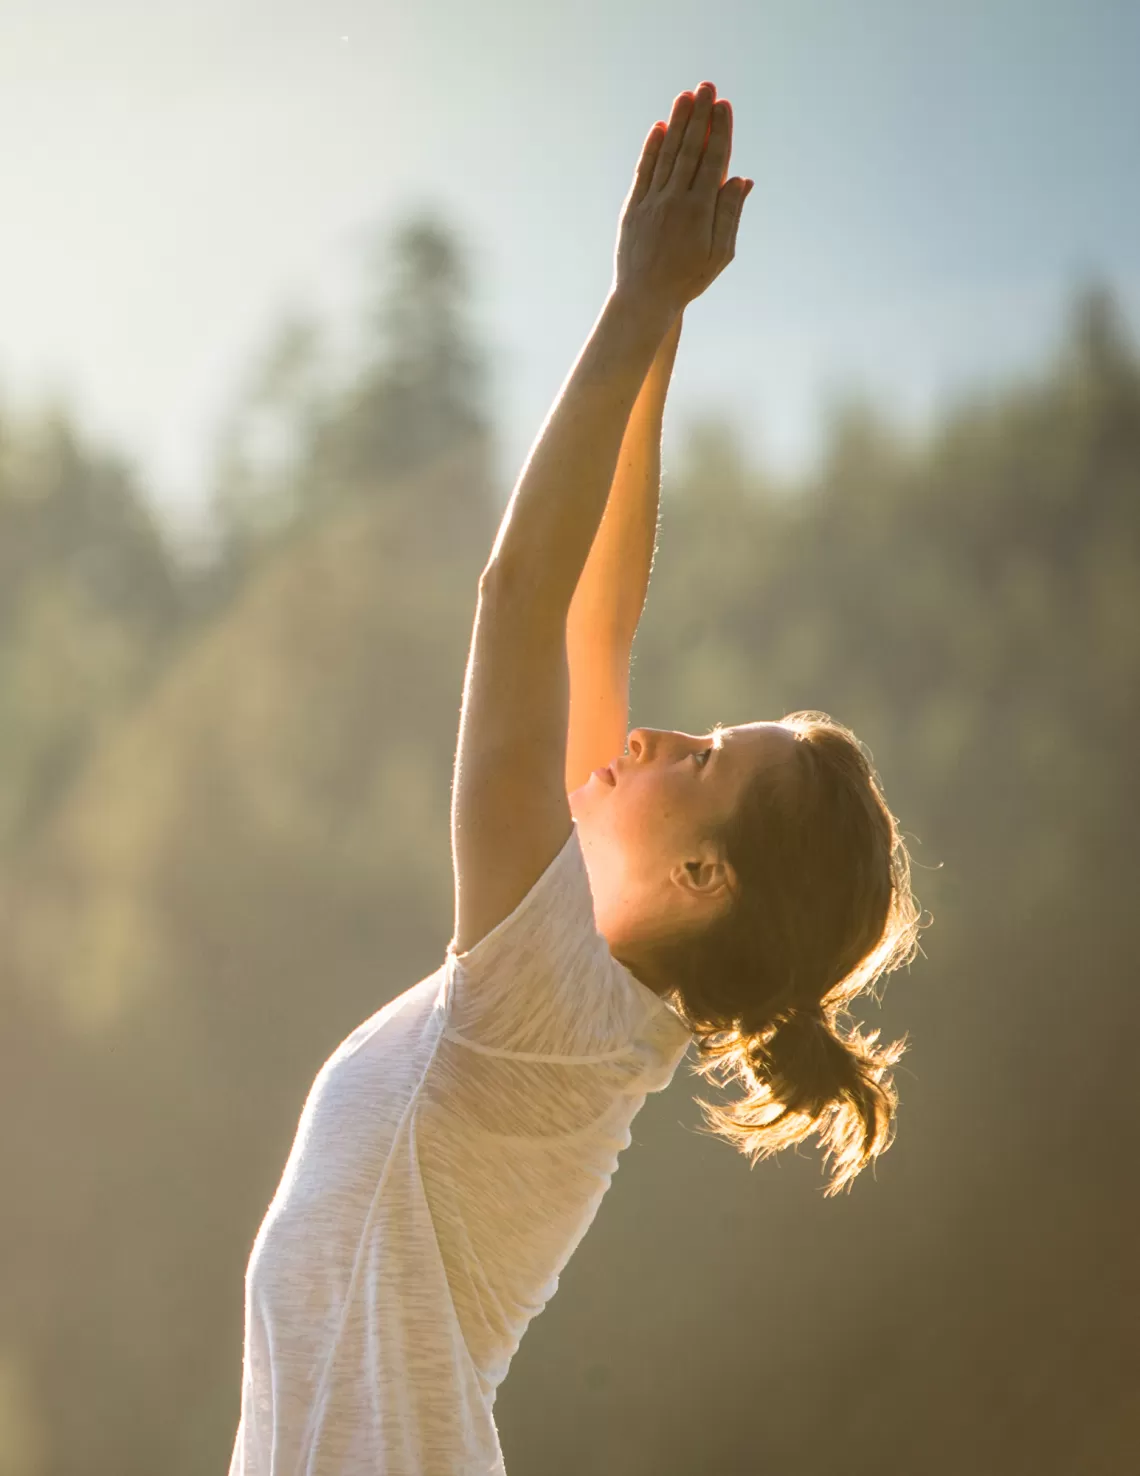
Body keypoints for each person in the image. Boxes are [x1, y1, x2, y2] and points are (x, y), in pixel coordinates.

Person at [227, 80, 923, 1475]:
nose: (663, 734)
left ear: (702, 876)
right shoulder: (594, 1000)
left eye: (708, 760)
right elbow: (595, 622)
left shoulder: (546, 998)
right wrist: (665, 324)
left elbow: (522, 599)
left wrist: (629, 308)